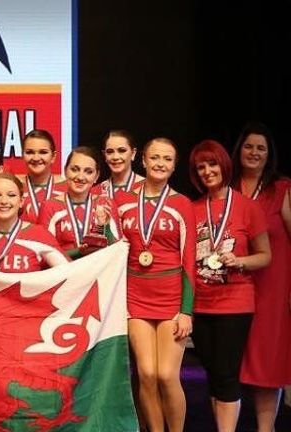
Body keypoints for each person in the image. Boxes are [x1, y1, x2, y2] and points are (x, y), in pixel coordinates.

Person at [188, 139, 271, 432]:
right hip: (200, 304)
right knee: (212, 375)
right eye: (201, 167)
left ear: (224, 164)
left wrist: (239, 261)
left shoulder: (249, 207)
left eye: (212, 164)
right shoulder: (192, 208)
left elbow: (265, 256)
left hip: (235, 303)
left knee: (225, 375)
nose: (208, 171)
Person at [115, 137, 195, 432]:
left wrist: (186, 310)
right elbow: (117, 249)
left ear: (174, 166)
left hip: (172, 298)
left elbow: (189, 260)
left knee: (166, 375)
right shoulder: (123, 201)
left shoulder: (181, 203)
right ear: (143, 161)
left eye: (167, 159)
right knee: (146, 373)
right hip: (136, 297)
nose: (160, 164)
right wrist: (102, 227)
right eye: (155, 158)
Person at [233, 122, 291, 432]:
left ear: (269, 155)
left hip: (273, 288)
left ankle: (264, 429)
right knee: (234, 361)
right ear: (239, 150)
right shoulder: (225, 187)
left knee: (268, 361)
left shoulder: (281, 188)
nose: (254, 152)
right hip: (232, 287)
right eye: (249, 146)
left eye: (261, 148)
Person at [0, 173, 69, 272]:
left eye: (11, 195)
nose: (4, 201)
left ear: (21, 201)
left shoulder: (39, 234)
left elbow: (70, 272)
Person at [39, 146, 120, 258]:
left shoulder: (106, 203)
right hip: (65, 273)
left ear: (96, 176)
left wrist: (106, 229)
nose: (80, 177)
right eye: (75, 169)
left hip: (98, 273)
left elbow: (117, 252)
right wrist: (78, 252)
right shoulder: (50, 206)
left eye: (88, 172)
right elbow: (43, 255)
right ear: (65, 171)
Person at [18, 129, 67, 222]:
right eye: (29, 152)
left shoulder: (68, 188)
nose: (36, 158)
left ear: (53, 156)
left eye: (43, 152)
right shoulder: (13, 186)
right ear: (22, 155)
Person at [95, 130, 145, 198]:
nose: (115, 157)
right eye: (110, 152)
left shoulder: (149, 188)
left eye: (122, 150)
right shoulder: (95, 193)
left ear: (133, 153)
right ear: (104, 155)